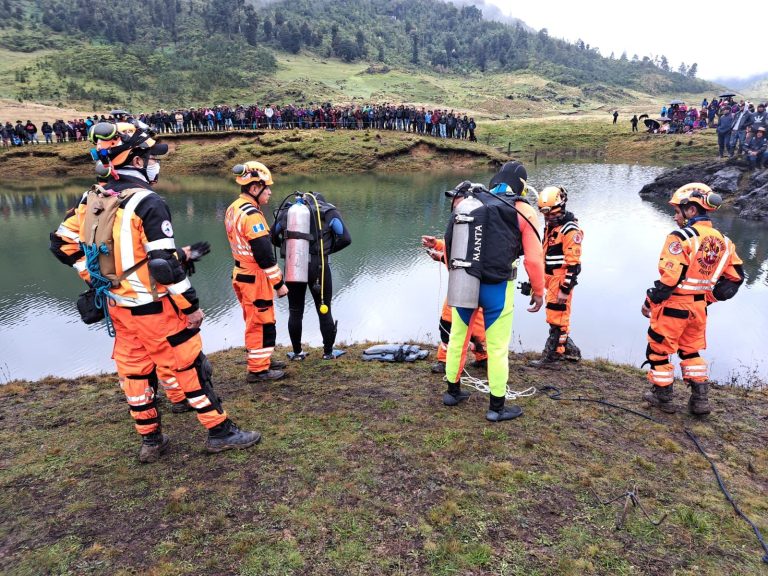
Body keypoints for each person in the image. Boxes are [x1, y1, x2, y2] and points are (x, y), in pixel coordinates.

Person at [50, 120, 261, 462]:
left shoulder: (93, 197)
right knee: (190, 368)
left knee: (134, 374)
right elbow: (162, 265)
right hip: (156, 310)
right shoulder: (148, 202)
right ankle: (219, 432)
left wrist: (94, 278)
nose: (153, 161)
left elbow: (61, 244)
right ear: (134, 158)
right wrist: (190, 306)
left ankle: (151, 441)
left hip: (118, 308)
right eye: (149, 155)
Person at [441, 161, 545, 422]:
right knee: (498, 347)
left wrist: (455, 275)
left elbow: (449, 247)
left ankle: (453, 392)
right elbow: (533, 260)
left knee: (457, 337)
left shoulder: (471, 202)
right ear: (521, 185)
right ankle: (497, 407)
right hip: (498, 287)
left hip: (465, 282)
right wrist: (539, 290)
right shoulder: (522, 210)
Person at [641, 183, 744, 415]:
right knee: (690, 352)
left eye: (678, 211)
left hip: (673, 306)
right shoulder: (725, 242)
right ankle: (700, 401)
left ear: (691, 210)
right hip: (699, 309)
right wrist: (709, 298)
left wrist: (650, 301)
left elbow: (671, 277)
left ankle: (663, 397)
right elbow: (736, 278)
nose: (675, 216)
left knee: (658, 350)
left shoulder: (681, 237)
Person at [224, 161, 288, 381]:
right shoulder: (252, 215)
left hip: (241, 273)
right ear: (254, 188)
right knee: (260, 322)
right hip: (254, 276)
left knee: (257, 319)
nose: (269, 191)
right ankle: (258, 369)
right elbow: (264, 255)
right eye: (266, 187)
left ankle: (264, 357)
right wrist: (279, 284)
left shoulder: (234, 208)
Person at [271, 192, 351, 360]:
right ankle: (328, 353)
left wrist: (288, 248)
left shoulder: (288, 212)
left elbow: (272, 236)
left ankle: (297, 353)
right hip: (319, 266)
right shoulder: (329, 212)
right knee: (324, 308)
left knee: (295, 311)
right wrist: (325, 251)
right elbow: (345, 238)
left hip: (294, 264)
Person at [528, 186, 583, 368]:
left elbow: (574, 265)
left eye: (552, 214)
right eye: (546, 214)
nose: (549, 217)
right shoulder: (551, 228)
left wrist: (565, 289)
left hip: (560, 280)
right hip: (550, 278)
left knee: (557, 318)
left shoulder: (569, 230)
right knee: (556, 316)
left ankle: (552, 357)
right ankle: (569, 351)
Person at [421, 233, 488, 375]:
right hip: (458, 285)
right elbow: (459, 247)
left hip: (480, 284)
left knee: (479, 325)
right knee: (447, 321)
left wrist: (441, 256)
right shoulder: (464, 224)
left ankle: (484, 357)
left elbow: (473, 256)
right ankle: (445, 360)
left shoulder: (489, 228)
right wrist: (437, 245)